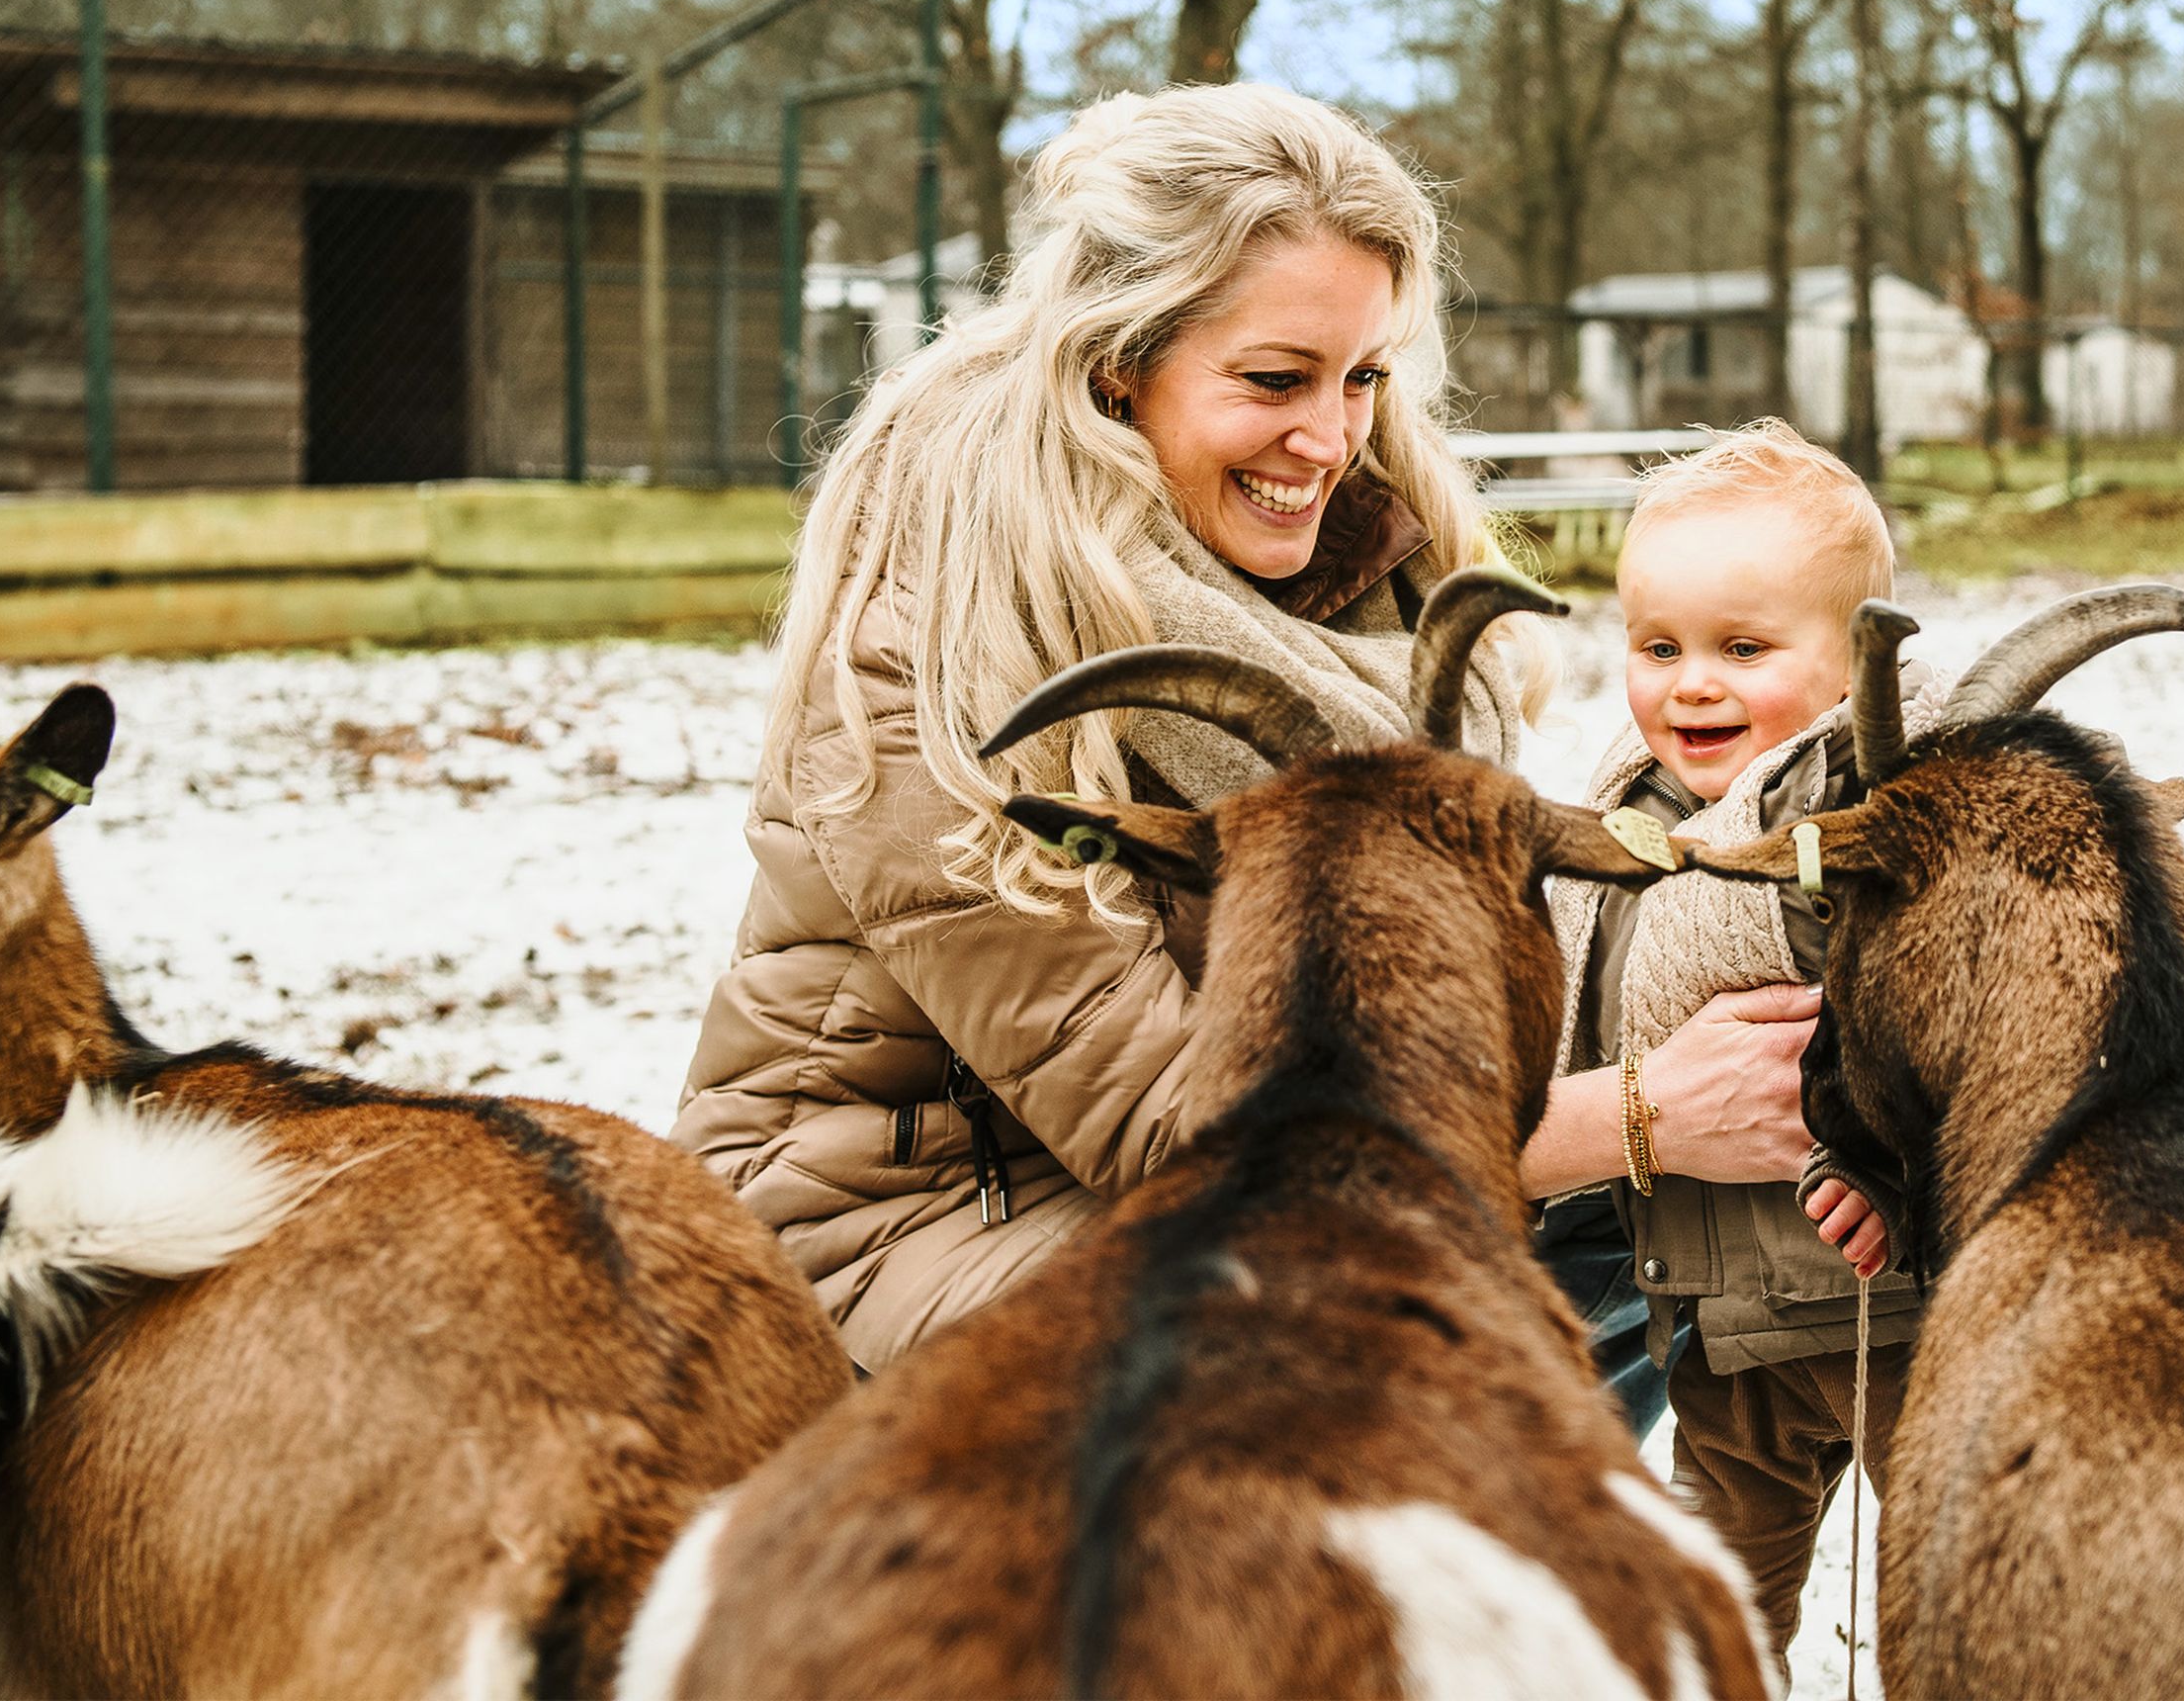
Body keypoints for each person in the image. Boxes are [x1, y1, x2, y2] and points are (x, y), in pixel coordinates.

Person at [670, 83, 1799, 1397]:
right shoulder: (934, 643)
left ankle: (1499, 1576)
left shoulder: (1362, 590)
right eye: (1275, 380)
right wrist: (1646, 1114)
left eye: (1362, 377)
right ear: (1117, 365)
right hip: (894, 1230)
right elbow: (1175, 1136)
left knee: (1658, 1224)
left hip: (1197, 1189)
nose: (1328, 440)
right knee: (1366, 1305)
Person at [1539, 423, 1912, 1650]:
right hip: (1718, 1343)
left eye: (1742, 649)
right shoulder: (1616, 827)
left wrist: (1907, 1168)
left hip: (1902, 1315)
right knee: (1713, 1622)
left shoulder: (1877, 822)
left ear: (1859, 671)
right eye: (1659, 647)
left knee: (1949, 1602)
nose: (1689, 683)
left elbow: (1966, 1032)